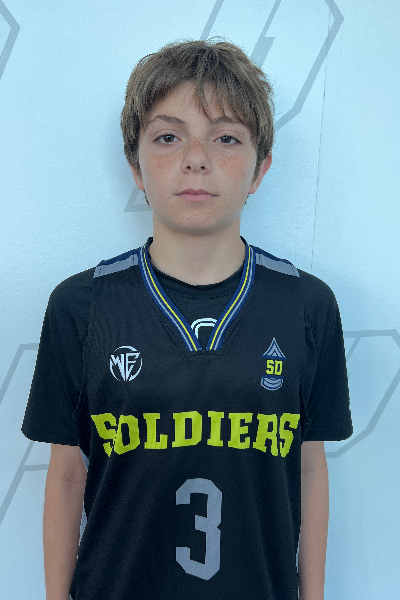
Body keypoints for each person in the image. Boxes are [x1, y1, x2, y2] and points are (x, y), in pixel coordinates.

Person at [21, 38, 353, 600]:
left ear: (260, 168)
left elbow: (310, 468)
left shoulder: (306, 306)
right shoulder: (82, 306)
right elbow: (67, 473)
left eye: (225, 138)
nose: (196, 159)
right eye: (168, 137)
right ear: (135, 166)